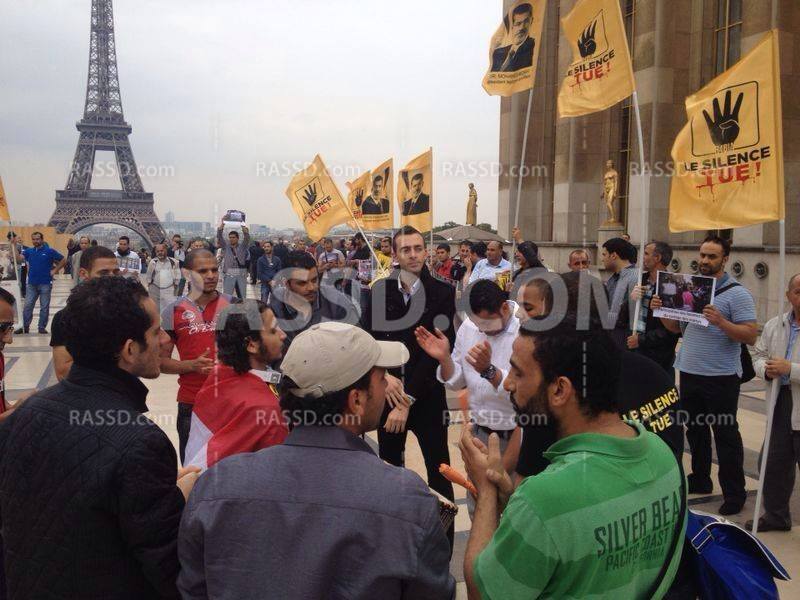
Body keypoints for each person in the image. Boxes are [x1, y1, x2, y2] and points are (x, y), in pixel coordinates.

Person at [178, 321, 454, 599]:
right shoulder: (406, 500)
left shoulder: (216, 485)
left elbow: (192, 588)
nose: (387, 387)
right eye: (382, 379)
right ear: (356, 400)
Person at [0, 276, 199, 600]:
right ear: (130, 349)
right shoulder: (140, 443)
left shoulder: (27, 412)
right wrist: (177, 498)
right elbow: (168, 569)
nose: (165, 340)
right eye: (155, 332)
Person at [461, 316, 685, 599]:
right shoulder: (662, 455)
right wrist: (513, 503)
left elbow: (481, 592)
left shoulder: (545, 497)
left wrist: (486, 491)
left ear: (559, 389)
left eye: (518, 373)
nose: (507, 384)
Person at [651, 235, 757, 515]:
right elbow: (675, 328)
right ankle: (700, 478)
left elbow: (750, 334)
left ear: (725, 259)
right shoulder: (691, 288)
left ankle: (734, 493)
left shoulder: (737, 294)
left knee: (725, 433)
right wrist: (661, 310)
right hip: (689, 370)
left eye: (712, 256)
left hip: (721, 375)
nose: (705, 260)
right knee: (695, 430)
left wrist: (720, 321)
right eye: (702, 255)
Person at [364, 226, 456, 539]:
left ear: (425, 251)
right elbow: (368, 340)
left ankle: (442, 545)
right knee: (390, 473)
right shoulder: (379, 291)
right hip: (387, 395)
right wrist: (383, 377)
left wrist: (407, 401)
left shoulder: (443, 293)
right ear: (395, 254)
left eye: (418, 248)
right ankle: (393, 539)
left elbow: (437, 354)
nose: (414, 255)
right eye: (406, 249)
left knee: (440, 472)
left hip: (426, 398)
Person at [416, 279, 518, 517]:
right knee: (479, 506)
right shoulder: (470, 327)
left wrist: (489, 371)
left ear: (504, 308)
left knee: (513, 509)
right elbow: (457, 381)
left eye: (487, 324)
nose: (482, 331)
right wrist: (444, 359)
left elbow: (523, 392)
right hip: (479, 434)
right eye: (477, 324)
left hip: (515, 437)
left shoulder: (524, 330)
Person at [184, 300, 287, 470]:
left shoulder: (218, 376)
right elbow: (275, 469)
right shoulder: (266, 409)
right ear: (251, 345)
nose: (282, 335)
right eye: (274, 330)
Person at [161, 249, 233, 463]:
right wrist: (191, 366)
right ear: (187, 274)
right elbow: (160, 362)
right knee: (192, 467)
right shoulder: (171, 312)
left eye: (214, 270)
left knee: (234, 466)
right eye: (203, 271)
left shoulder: (238, 306)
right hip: (192, 403)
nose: (211, 276)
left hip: (232, 401)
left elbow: (259, 354)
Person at [748, 273, 800, 532]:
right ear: (788, 295)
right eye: (798, 291)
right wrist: (765, 370)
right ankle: (776, 515)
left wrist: (791, 369)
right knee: (773, 462)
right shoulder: (774, 325)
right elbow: (758, 355)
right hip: (780, 400)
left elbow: (788, 367)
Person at [50, 246, 121, 381]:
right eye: (104, 273)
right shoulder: (66, 318)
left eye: (116, 272)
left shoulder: (128, 311)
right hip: (87, 392)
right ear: (83, 274)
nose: (112, 278)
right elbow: (63, 372)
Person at [270, 251, 359, 351]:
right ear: (286, 284)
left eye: (314, 280)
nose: (311, 287)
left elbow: (358, 341)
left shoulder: (337, 301)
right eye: (302, 283)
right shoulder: (275, 305)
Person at [627, 241, 680, 373]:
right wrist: (631, 300)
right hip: (634, 349)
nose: (642, 258)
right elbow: (623, 317)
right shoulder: (640, 280)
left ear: (657, 258)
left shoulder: (672, 285)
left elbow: (673, 330)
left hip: (658, 357)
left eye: (646, 253)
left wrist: (641, 340)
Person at [16, 231, 66, 335]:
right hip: (32, 283)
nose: (35, 241)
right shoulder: (29, 251)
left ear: (42, 240)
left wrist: (55, 270)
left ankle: (41, 327)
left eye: (37, 239)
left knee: (44, 307)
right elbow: (19, 259)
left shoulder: (50, 251)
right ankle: (25, 327)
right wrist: (13, 246)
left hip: (45, 283)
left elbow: (63, 260)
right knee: (28, 305)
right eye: (33, 239)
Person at [601, 237, 638, 349]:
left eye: (604, 254)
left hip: (623, 339)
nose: (602, 259)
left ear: (613, 255)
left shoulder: (634, 278)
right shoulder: (615, 277)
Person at [490, 2, 535, 72]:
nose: (521, 28)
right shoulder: (498, 53)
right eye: (518, 23)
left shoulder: (533, 47)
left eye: (526, 22)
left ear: (531, 22)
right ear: (512, 26)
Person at [217, 220, 250, 299]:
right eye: (230, 237)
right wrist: (223, 223)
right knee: (227, 296)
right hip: (229, 274)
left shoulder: (242, 247)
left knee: (242, 297)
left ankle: (242, 307)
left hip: (240, 274)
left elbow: (247, 238)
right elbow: (219, 236)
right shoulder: (226, 247)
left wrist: (243, 225)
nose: (231, 239)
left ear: (238, 238)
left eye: (233, 237)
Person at [146, 243, 181, 314]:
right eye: (158, 251)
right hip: (155, 289)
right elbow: (149, 275)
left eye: (161, 251)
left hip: (169, 289)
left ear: (166, 250)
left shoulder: (174, 262)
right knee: (156, 310)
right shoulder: (153, 262)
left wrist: (175, 285)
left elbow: (177, 275)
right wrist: (150, 286)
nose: (160, 253)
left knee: (169, 310)